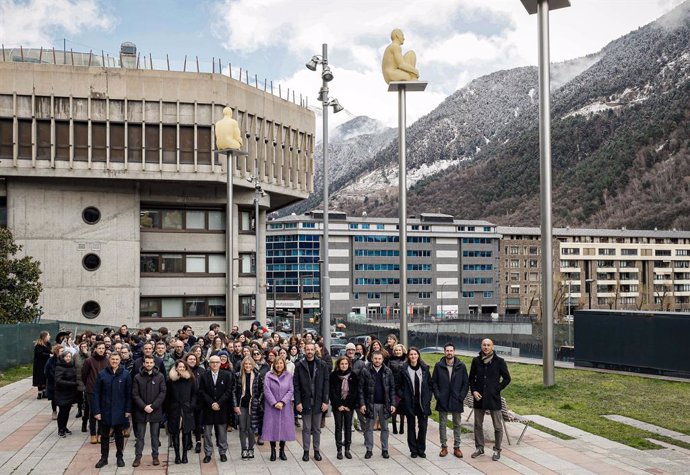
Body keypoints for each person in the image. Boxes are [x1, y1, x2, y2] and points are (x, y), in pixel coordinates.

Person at [469, 338, 511, 461]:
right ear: (481, 346)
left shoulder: (499, 361)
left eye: (488, 345)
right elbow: (471, 378)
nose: (486, 347)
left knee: (497, 426)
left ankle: (497, 449)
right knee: (478, 425)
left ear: (492, 347)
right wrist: (474, 391)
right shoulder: (476, 361)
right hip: (479, 398)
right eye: (484, 345)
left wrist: (497, 388)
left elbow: (507, 379)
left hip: (493, 398)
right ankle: (479, 448)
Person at [93, 352, 132, 469]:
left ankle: (120, 457)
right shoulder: (102, 374)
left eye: (117, 359)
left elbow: (129, 394)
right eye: (113, 359)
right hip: (105, 411)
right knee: (104, 436)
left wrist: (128, 409)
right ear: (109, 360)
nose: (114, 361)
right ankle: (104, 458)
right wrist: (97, 411)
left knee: (119, 435)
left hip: (120, 411)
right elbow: (96, 394)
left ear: (120, 360)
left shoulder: (125, 374)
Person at [293, 342, 329, 462]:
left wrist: (325, 401)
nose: (309, 351)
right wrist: (298, 402)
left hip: (319, 401)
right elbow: (296, 386)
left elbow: (326, 384)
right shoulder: (299, 365)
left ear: (315, 350)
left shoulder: (322, 365)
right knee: (306, 428)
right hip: (305, 401)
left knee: (317, 429)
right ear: (304, 350)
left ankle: (317, 451)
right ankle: (306, 451)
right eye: (307, 349)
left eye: (311, 349)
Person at [432, 343, 469, 458]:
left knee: (457, 424)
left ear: (454, 351)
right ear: (444, 352)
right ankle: (444, 447)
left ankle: (457, 447)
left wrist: (461, 396)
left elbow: (465, 383)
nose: (449, 352)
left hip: (456, 399)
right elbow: (434, 382)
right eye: (447, 350)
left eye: (451, 350)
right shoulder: (439, 365)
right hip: (443, 399)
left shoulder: (461, 366)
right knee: (442, 424)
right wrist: (438, 395)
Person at [359, 350, 396, 459]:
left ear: (382, 359)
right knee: (368, 428)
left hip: (385, 404)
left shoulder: (388, 371)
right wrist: (362, 404)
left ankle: (385, 450)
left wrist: (393, 404)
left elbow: (392, 389)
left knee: (385, 428)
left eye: (379, 359)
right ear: (371, 359)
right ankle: (369, 450)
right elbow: (360, 389)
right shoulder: (365, 371)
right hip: (370, 404)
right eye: (375, 358)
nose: (377, 360)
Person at [397, 347, 433, 458]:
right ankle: (413, 449)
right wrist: (404, 396)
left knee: (423, 426)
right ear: (408, 356)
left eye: (415, 354)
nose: (413, 356)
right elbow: (398, 386)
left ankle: (421, 449)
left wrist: (428, 397)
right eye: (411, 354)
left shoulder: (425, 368)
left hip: (422, 402)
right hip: (409, 402)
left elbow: (429, 385)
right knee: (411, 426)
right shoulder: (403, 369)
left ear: (418, 355)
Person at [131, 355, 167, 467]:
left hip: (155, 410)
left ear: (154, 363)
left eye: (151, 362)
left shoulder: (160, 376)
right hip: (141, 411)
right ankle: (138, 457)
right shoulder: (137, 377)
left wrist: (154, 406)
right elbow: (135, 394)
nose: (149, 364)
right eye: (147, 362)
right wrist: (144, 406)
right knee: (140, 436)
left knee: (155, 435)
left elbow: (163, 392)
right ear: (143, 363)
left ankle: (155, 456)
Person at [199, 355, 235, 463]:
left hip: (222, 408)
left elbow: (228, 391)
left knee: (222, 432)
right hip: (208, 408)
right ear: (209, 364)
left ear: (220, 363)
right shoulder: (204, 376)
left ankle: (222, 452)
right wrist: (211, 403)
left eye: (217, 362)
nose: (215, 364)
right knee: (207, 433)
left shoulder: (227, 375)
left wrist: (219, 403)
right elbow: (202, 391)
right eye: (212, 362)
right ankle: (208, 453)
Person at [262, 356, 295, 461]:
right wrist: (274, 403)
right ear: (274, 365)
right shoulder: (268, 375)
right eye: (277, 363)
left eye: (281, 363)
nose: (279, 365)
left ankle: (282, 450)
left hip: (284, 407)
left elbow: (290, 390)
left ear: (284, 364)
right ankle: (273, 450)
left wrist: (282, 402)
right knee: (272, 428)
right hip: (272, 407)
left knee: (284, 429)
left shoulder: (288, 375)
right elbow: (266, 390)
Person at [330, 356, 359, 460]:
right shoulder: (333, 375)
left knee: (348, 427)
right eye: (342, 364)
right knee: (338, 427)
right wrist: (338, 405)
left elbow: (354, 392)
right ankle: (339, 450)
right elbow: (332, 392)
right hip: (337, 405)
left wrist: (348, 405)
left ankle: (347, 449)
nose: (344, 365)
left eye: (346, 364)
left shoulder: (353, 375)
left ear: (349, 365)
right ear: (338, 364)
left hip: (348, 406)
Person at [234, 356, 263, 459]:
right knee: (242, 428)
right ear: (243, 365)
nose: (247, 366)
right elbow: (234, 392)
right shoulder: (238, 375)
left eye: (249, 364)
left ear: (252, 365)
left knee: (251, 429)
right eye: (246, 364)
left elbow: (262, 390)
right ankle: (244, 449)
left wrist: (258, 401)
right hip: (242, 406)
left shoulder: (257, 376)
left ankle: (251, 449)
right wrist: (235, 405)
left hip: (253, 406)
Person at [167, 360, 196, 465]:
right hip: (174, 410)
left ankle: (184, 455)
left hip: (186, 409)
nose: (182, 368)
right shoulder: (171, 380)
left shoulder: (190, 380)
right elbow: (167, 396)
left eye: (183, 367)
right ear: (176, 368)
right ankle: (177, 456)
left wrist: (191, 405)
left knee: (186, 432)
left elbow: (194, 394)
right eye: (180, 367)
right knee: (175, 433)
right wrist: (169, 409)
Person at [184, 352, 206, 454]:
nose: (192, 361)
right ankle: (188, 441)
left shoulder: (201, 371)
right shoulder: (183, 371)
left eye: (194, 359)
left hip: (199, 401)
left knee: (198, 422)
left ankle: (198, 442)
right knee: (188, 422)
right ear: (186, 360)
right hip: (187, 401)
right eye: (190, 359)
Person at [54, 351, 78, 437]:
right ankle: (60, 429)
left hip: (70, 392)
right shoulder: (59, 367)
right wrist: (72, 383)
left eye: (69, 357)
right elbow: (58, 380)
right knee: (62, 411)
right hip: (62, 392)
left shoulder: (71, 366)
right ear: (63, 357)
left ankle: (64, 427)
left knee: (67, 411)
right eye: (66, 357)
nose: (68, 358)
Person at [388, 343, 407, 435]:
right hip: (394, 386)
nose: (398, 352)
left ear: (402, 350)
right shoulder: (390, 360)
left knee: (402, 408)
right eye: (396, 350)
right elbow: (388, 372)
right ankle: (394, 426)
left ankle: (402, 426)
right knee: (394, 407)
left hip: (404, 386)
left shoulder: (407, 359)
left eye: (399, 350)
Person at [44, 344, 63, 420]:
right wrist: (52, 378)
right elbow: (46, 371)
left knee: (62, 398)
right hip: (53, 383)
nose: (63, 352)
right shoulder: (51, 361)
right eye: (62, 351)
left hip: (62, 383)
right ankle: (54, 411)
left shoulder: (64, 359)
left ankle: (62, 412)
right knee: (54, 399)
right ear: (56, 352)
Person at [33, 331, 52, 399]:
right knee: (39, 378)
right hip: (39, 364)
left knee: (45, 377)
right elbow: (39, 354)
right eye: (48, 335)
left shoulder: (48, 344)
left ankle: (44, 392)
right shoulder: (39, 344)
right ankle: (39, 392)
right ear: (44, 337)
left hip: (46, 363)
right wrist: (49, 355)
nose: (49, 337)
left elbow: (50, 350)